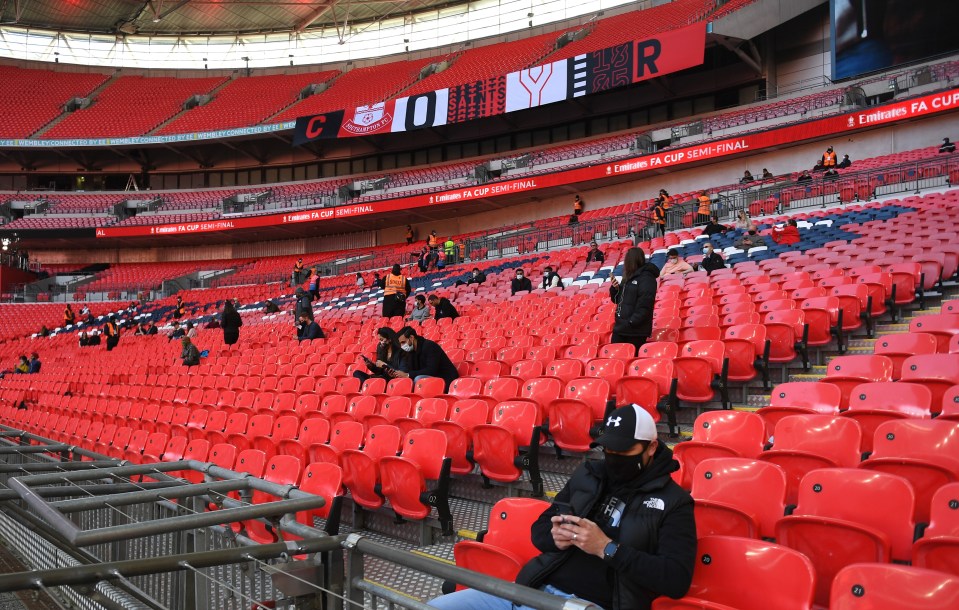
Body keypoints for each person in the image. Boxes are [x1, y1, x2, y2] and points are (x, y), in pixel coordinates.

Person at [429, 404, 696, 610]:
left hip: (590, 604)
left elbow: (675, 579)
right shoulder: (589, 475)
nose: (613, 459)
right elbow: (541, 529)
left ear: (650, 447)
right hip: (533, 588)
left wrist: (607, 548)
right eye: (608, 452)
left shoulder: (674, 502)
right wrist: (555, 537)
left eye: (623, 452)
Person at [609, 248, 658, 354]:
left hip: (636, 330)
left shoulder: (647, 277)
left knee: (631, 361)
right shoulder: (627, 277)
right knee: (615, 360)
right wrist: (615, 289)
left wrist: (630, 322)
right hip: (621, 328)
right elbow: (617, 300)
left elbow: (645, 305)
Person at [393, 326, 459, 391]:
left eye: (403, 342)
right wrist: (399, 374)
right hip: (430, 379)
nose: (402, 346)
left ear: (411, 337)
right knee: (404, 381)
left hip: (446, 379)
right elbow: (411, 370)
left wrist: (408, 375)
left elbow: (431, 370)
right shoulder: (410, 351)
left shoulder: (430, 346)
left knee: (418, 379)